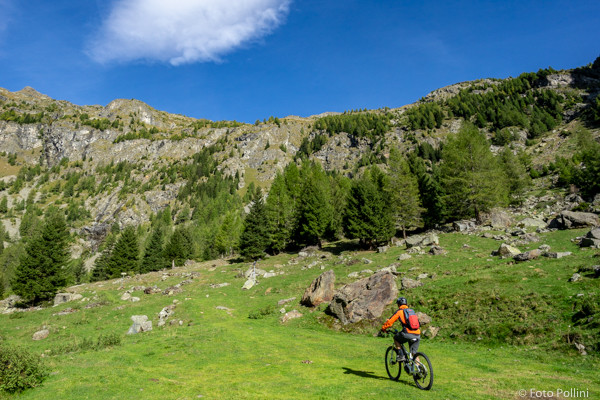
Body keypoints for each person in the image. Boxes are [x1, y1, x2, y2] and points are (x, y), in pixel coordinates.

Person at [381, 297, 421, 362]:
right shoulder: (411, 311)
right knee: (414, 354)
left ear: (399, 304)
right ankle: (420, 369)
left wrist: (383, 328)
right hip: (417, 334)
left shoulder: (399, 312)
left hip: (407, 333)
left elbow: (390, 322)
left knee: (396, 338)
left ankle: (401, 356)